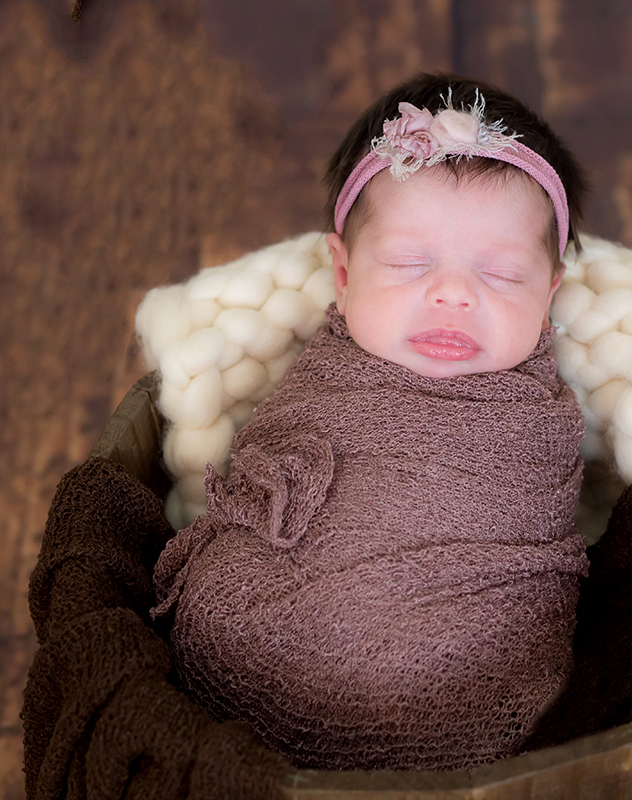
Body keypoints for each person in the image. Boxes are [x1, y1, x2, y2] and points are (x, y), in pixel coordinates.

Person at [150, 73, 591, 772]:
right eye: (409, 264)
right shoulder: (323, 380)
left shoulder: (535, 425)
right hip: (254, 653)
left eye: (505, 275)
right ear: (344, 272)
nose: (452, 294)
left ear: (549, 294)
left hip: (466, 688)